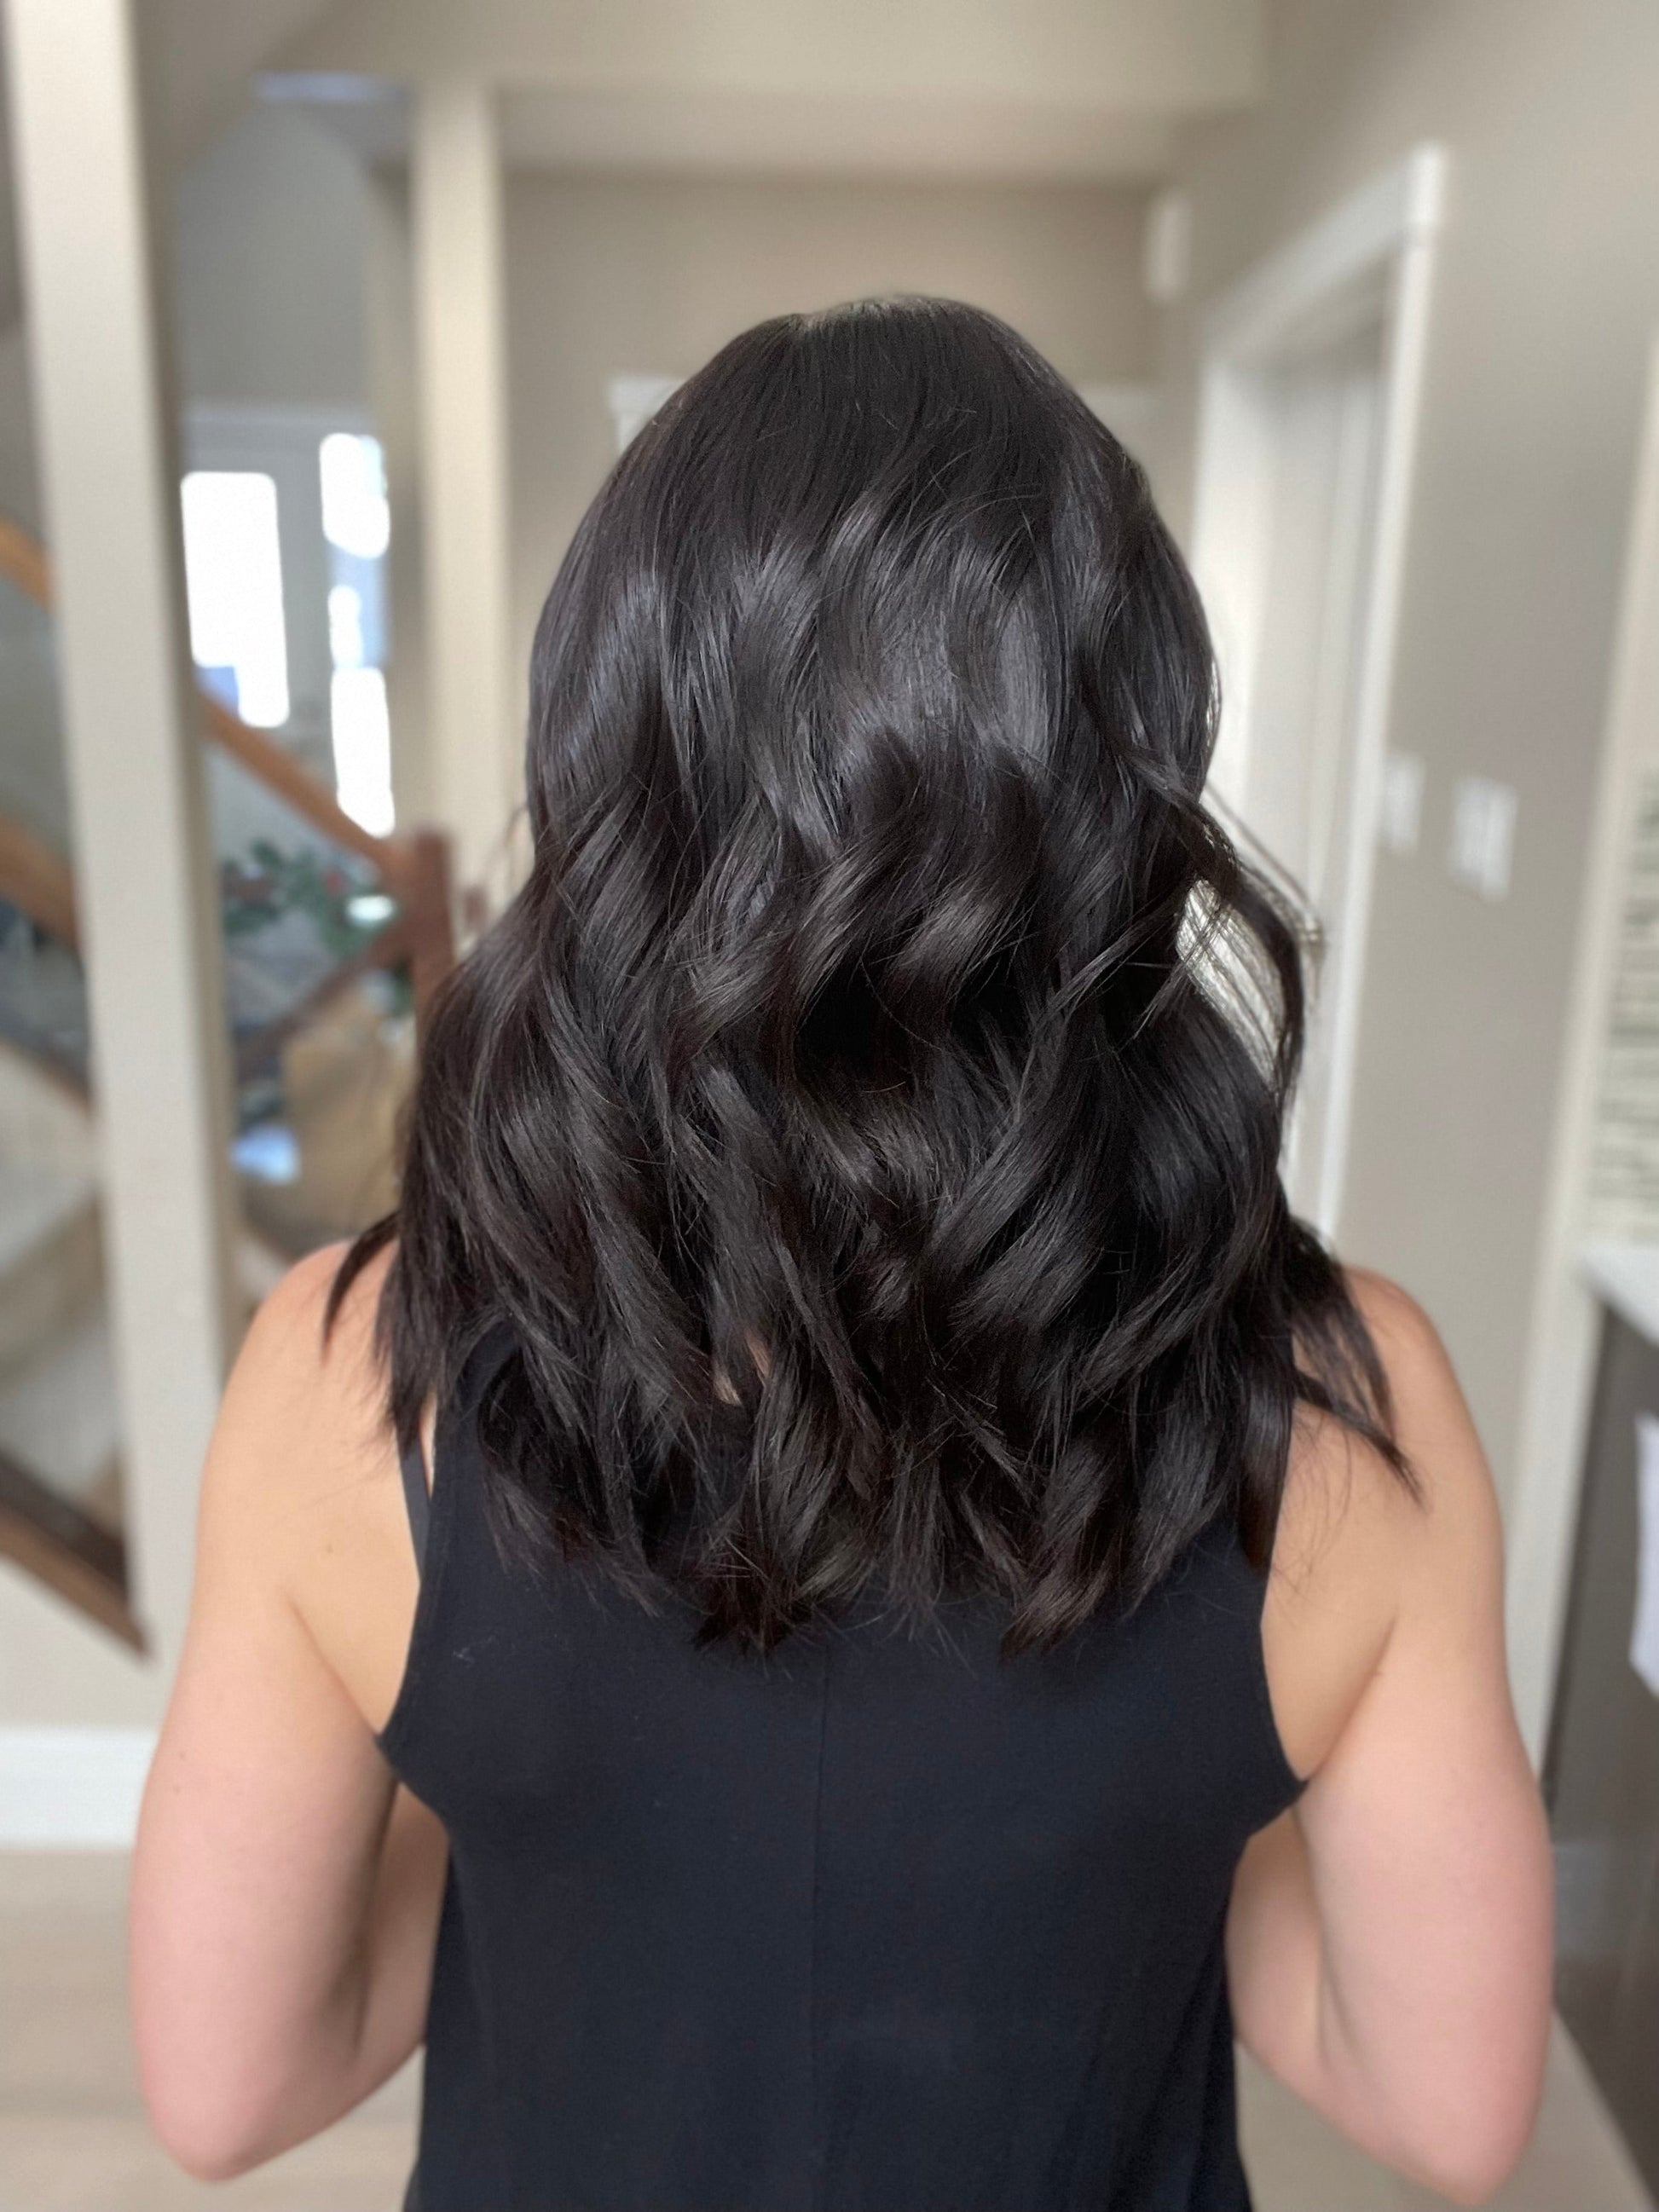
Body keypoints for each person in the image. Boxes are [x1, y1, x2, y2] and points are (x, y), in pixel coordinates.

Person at [130, 297, 1554, 2211]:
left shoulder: (345, 1374)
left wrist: (524, 1804)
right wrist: (1138, 1834)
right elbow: (1443, 2102)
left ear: (610, 767)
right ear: (1122, 781)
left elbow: (230, 2087)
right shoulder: (1341, 1410)